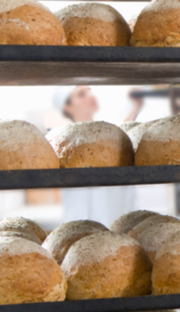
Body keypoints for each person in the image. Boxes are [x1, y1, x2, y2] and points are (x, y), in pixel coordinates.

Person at [52, 86, 144, 225]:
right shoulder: (59, 139)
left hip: (117, 217)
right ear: (67, 107)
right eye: (81, 94)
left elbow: (121, 132)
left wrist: (136, 105)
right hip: (80, 221)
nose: (90, 96)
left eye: (89, 91)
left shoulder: (107, 134)